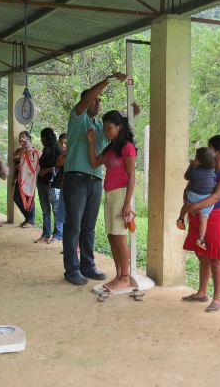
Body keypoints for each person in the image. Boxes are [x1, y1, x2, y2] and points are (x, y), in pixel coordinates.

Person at [63, 72, 136, 285]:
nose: (98, 102)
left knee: (88, 226)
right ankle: (72, 269)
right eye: (94, 99)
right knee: (73, 224)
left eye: (99, 100)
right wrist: (106, 81)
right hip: (76, 177)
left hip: (95, 180)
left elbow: (116, 136)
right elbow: (86, 100)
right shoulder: (78, 117)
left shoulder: (100, 128)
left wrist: (132, 115)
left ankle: (87, 265)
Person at [181, 135, 220, 312]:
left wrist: (191, 206)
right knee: (202, 254)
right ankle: (202, 292)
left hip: (216, 217)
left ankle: (218, 298)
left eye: (210, 148)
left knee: (215, 257)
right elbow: (191, 185)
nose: (207, 152)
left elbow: (216, 197)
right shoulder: (208, 168)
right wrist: (190, 205)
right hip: (200, 214)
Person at [88, 110, 137, 290]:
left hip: (121, 194)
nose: (106, 132)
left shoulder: (127, 147)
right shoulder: (110, 148)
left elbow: (132, 176)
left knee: (119, 237)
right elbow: (94, 163)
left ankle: (125, 277)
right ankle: (118, 275)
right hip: (109, 195)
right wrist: (92, 143)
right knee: (111, 236)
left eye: (109, 128)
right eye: (105, 128)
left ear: (119, 127)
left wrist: (127, 203)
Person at [176, 147, 216, 250]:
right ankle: (201, 239)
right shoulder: (213, 171)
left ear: (198, 161)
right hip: (206, 199)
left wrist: (191, 165)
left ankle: (180, 219)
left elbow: (186, 176)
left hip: (193, 196)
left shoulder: (194, 171)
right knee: (204, 219)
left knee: (186, 205)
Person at [35, 127, 63, 243]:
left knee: (56, 209)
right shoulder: (46, 149)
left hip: (53, 184)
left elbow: (59, 167)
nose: (41, 140)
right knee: (45, 210)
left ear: (44, 138)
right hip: (42, 182)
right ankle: (46, 234)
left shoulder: (58, 150)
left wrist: (46, 170)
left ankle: (58, 234)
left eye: (41, 138)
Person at [12, 130, 38, 228]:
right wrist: (13, 180)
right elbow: (15, 159)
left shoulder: (32, 150)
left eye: (23, 137)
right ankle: (28, 218)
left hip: (28, 178)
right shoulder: (19, 151)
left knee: (29, 197)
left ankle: (30, 220)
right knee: (17, 198)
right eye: (20, 137)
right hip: (19, 177)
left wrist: (26, 147)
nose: (21, 139)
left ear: (29, 139)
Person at [52, 133, 68, 247]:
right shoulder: (60, 153)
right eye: (61, 142)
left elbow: (60, 162)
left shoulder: (70, 152)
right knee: (60, 212)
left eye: (65, 143)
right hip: (63, 185)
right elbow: (58, 162)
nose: (63, 145)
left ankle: (60, 235)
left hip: (71, 185)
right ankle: (62, 239)